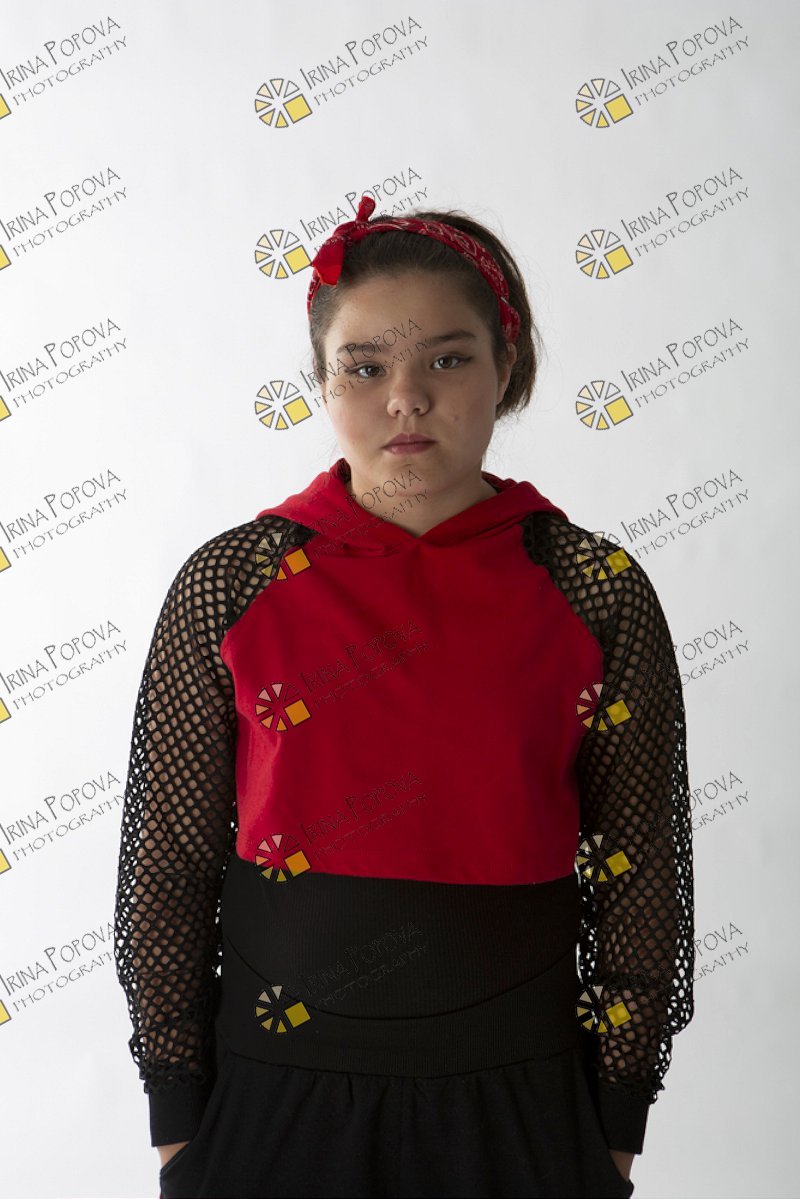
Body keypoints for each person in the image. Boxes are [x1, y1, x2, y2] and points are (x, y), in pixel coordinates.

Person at [113, 193, 695, 1198]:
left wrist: (613, 1121)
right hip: (270, 1097)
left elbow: (639, 872)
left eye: (448, 359)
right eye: (365, 365)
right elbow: (167, 860)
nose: (407, 398)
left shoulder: (592, 589)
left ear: (506, 367)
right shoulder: (234, 582)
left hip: (522, 1102)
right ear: (323, 380)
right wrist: (178, 1117)